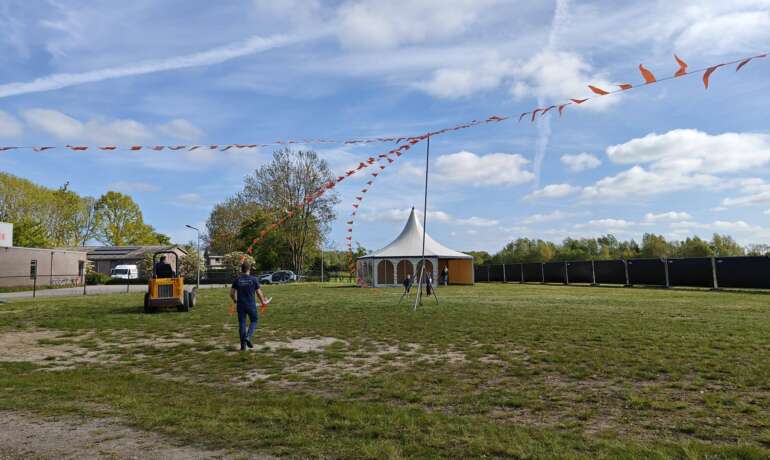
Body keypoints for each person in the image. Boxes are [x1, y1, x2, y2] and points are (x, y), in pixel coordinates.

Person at [229, 261, 268, 351]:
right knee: (254, 320)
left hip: (241, 305)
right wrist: (263, 301)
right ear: (249, 269)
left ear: (242, 270)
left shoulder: (237, 280)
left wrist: (235, 300)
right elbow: (258, 292)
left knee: (242, 324)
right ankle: (248, 337)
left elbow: (231, 293)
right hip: (251, 305)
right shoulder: (254, 279)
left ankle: (243, 347)